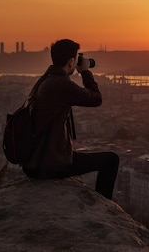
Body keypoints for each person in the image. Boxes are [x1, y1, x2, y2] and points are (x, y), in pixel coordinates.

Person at [22, 39, 119, 200]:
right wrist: (85, 71)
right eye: (76, 59)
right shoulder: (61, 84)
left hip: (36, 161)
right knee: (111, 160)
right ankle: (105, 207)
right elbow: (96, 99)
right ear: (71, 61)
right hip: (50, 164)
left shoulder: (45, 80)